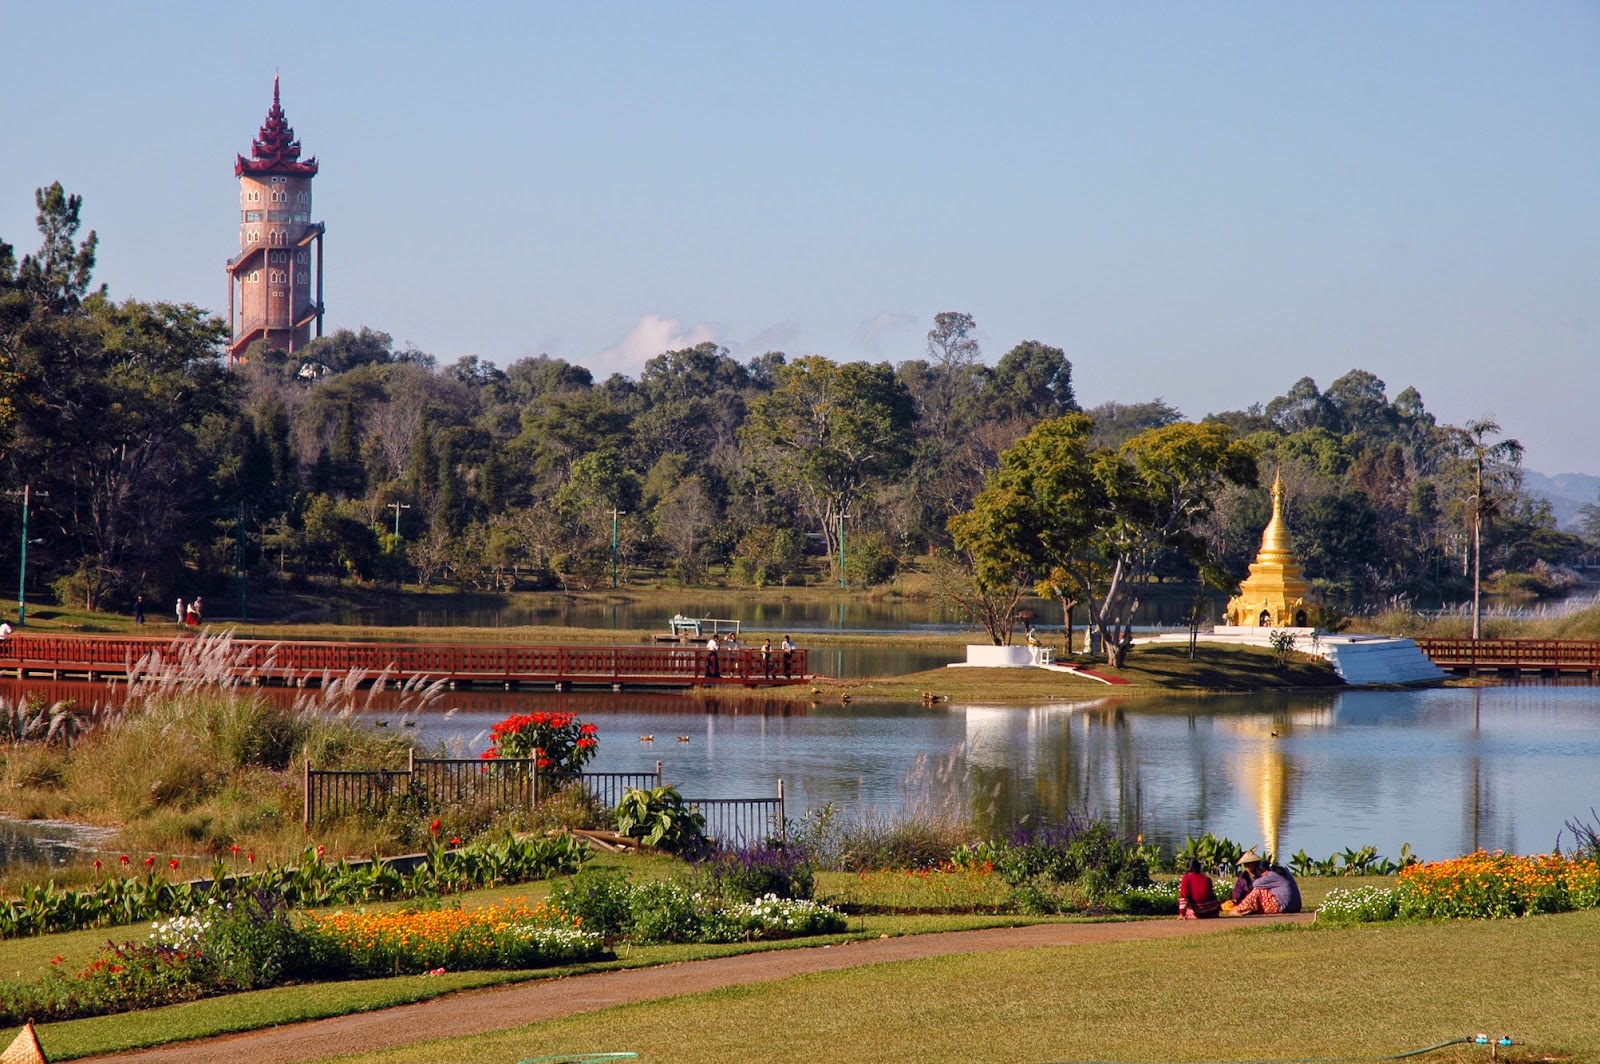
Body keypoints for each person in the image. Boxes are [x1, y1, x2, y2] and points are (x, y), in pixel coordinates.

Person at [1229, 858, 1302, 916]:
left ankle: (1240, 909)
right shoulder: (1284, 871)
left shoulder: (1271, 875)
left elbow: (1255, 884)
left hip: (1284, 907)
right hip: (1295, 907)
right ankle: (1248, 908)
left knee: (1259, 890)